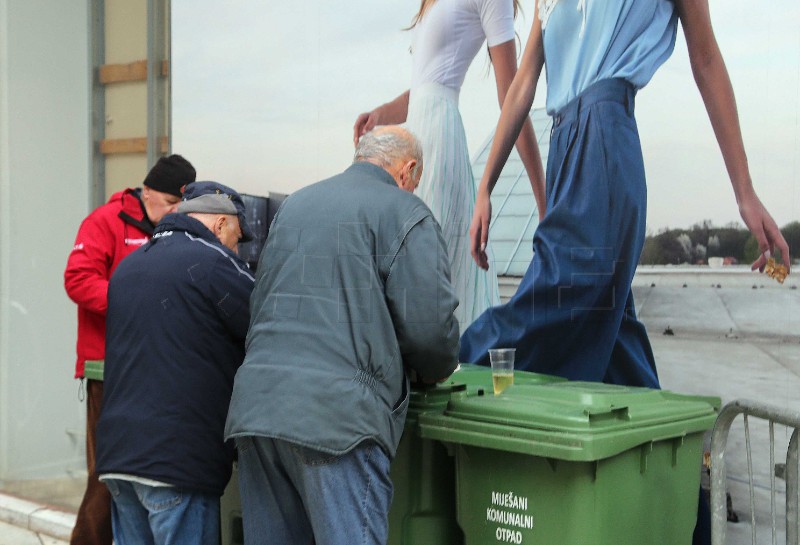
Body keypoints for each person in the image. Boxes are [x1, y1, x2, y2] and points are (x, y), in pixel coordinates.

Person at [458, 2, 791, 543]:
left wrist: (744, 190)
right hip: (565, 143)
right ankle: (686, 524)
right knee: (622, 359)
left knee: (543, 309)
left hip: (604, 140)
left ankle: (443, 364)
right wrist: (485, 185)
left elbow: (705, 58)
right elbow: (523, 83)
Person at [224, 126, 460, 545]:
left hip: (258, 413)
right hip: (338, 422)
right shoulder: (405, 213)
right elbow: (430, 331)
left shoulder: (295, 206)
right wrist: (435, 370)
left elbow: (259, 304)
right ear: (408, 170)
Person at [353, 0, 547, 334]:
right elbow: (425, 84)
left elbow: (512, 97)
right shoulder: (430, 3)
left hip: (440, 146)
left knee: (430, 272)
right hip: (412, 140)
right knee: (408, 271)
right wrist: (382, 114)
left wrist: (544, 201)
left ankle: (452, 368)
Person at [94, 181, 256, 545]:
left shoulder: (128, 268)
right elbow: (266, 326)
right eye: (236, 236)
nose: (237, 248)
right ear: (219, 225)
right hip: (177, 462)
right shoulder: (214, 264)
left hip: (119, 459)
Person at [63, 154, 196, 545]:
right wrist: (135, 300)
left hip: (152, 369)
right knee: (107, 477)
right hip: (108, 371)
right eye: (170, 204)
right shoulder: (104, 221)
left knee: (141, 477)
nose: (175, 213)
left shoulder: (172, 231)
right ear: (148, 191)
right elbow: (78, 280)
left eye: (181, 206)